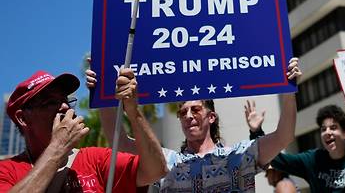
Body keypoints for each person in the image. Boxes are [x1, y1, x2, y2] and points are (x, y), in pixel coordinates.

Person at [86, 58, 302, 192]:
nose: (188, 115)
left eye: (196, 109)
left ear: (212, 117)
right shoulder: (166, 162)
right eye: (182, 112)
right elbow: (121, 143)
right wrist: (102, 93)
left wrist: (289, 89)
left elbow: (284, 136)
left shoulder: (240, 155)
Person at [0, 68, 167, 192]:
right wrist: (58, 147)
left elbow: (155, 171)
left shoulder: (96, 159)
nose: (64, 106)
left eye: (65, 100)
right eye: (51, 102)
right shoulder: (7, 170)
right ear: (23, 118)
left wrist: (133, 110)